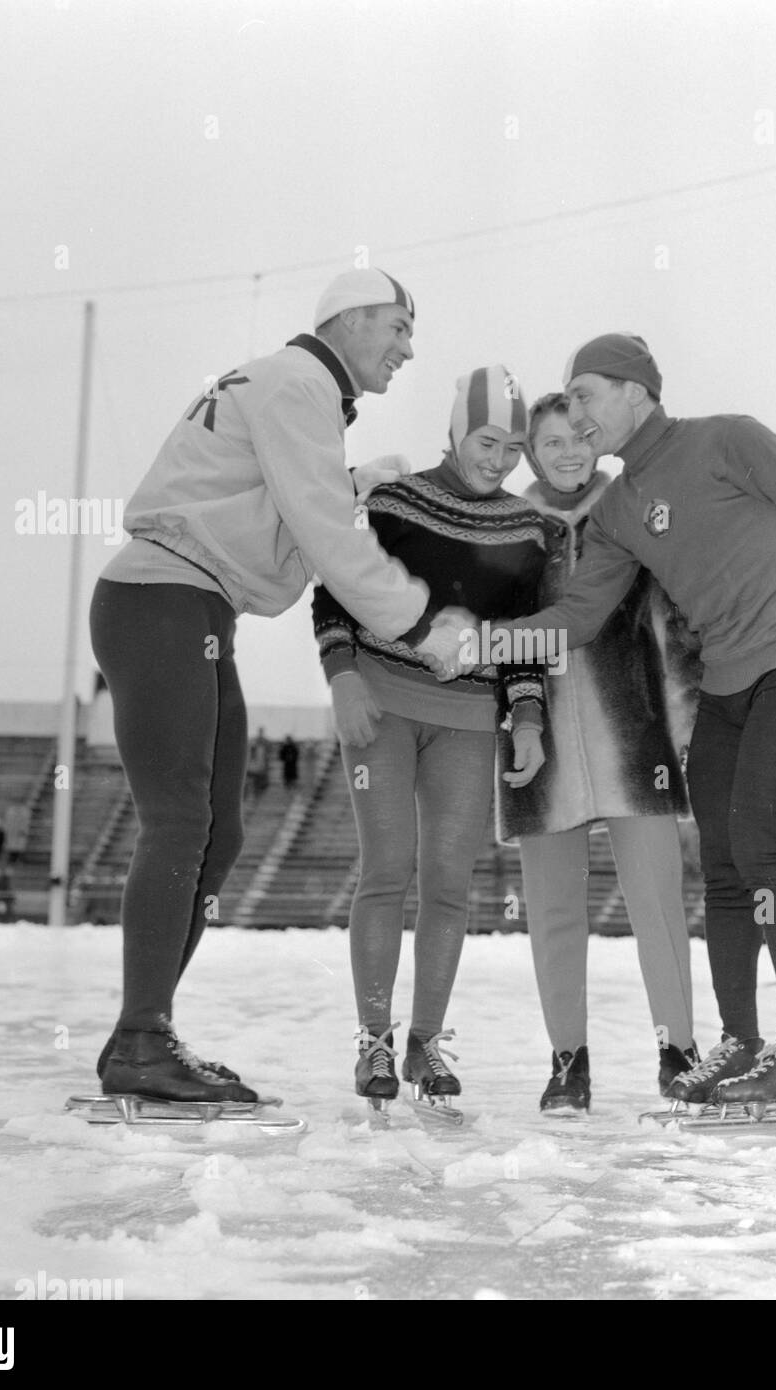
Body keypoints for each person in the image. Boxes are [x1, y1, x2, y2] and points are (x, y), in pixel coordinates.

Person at [88, 268, 469, 1106]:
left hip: (185, 605)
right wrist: (417, 620)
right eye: (399, 328)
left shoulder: (290, 386)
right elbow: (325, 534)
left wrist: (358, 480)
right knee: (183, 822)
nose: (409, 347)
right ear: (353, 320)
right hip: (163, 600)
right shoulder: (300, 384)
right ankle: (143, 1039)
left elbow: (284, 508)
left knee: (216, 833)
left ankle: (140, 1032)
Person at [474, 333, 776, 1112]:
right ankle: (742, 1044)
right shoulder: (621, 506)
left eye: (586, 394)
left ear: (636, 391)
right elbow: (582, 614)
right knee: (722, 868)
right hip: (725, 690)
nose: (578, 414)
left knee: (764, 844)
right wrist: (489, 640)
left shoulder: (729, 439)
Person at [312, 365, 549, 1109]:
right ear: (455, 430)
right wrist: (342, 676)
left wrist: (530, 721)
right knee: (386, 869)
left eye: (514, 447)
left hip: (470, 720)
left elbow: (526, 641)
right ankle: (376, 1041)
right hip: (380, 707)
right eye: (488, 440)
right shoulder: (394, 499)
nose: (499, 458)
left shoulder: (528, 527)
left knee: (450, 884)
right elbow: (335, 592)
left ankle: (426, 1046)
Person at [497, 392, 703, 1111]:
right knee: (554, 913)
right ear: (531, 452)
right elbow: (500, 638)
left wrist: (688, 721)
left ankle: (678, 1050)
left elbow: (678, 628)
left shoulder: (634, 511)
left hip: (632, 734)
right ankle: (567, 1062)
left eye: (580, 437)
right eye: (550, 443)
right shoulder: (511, 529)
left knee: (657, 903)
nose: (568, 452)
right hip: (539, 744)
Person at [246, 727, 271, 799]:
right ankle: (254, 796)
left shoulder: (263, 744)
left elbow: (266, 758)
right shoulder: (254, 744)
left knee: (259, 784)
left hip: (259, 768)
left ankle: (256, 795)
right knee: (253, 783)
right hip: (253, 768)